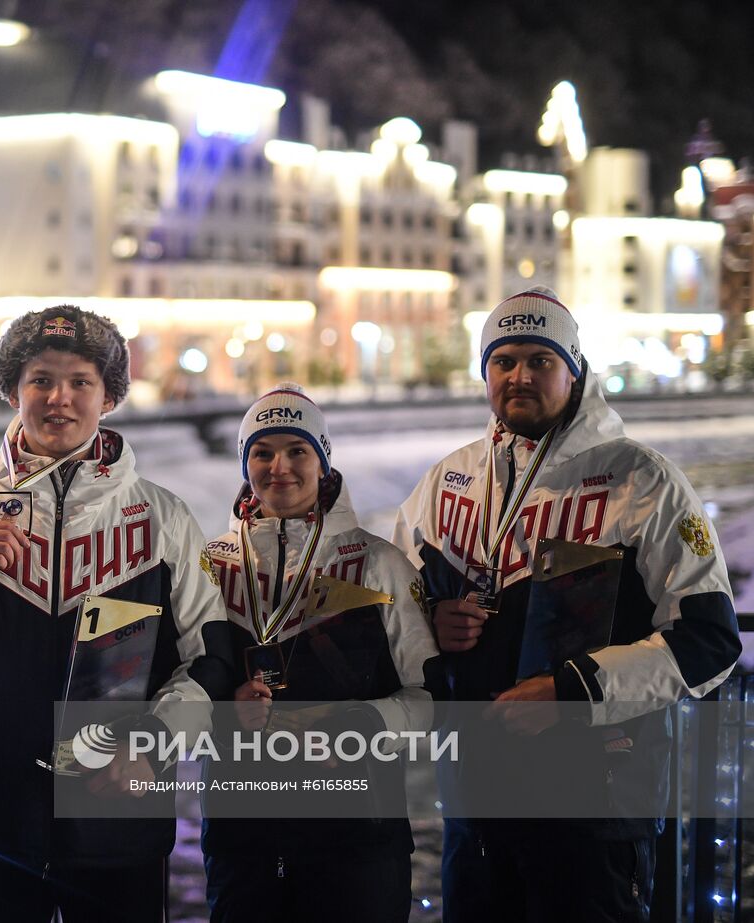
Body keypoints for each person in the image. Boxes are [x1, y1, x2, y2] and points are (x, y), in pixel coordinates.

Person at [394, 287, 740, 922]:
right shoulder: (447, 482)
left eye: (540, 360)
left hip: (596, 807)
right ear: (484, 373)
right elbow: (393, 610)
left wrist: (571, 692)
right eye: (503, 361)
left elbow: (710, 643)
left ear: (574, 370)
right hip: (478, 805)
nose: (519, 376)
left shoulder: (642, 480)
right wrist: (429, 625)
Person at [0, 305, 236, 922]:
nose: (59, 398)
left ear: (109, 395)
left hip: (120, 823)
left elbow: (210, 659)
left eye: (81, 381)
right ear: (12, 390)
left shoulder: (163, 517)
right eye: (41, 380)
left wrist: (154, 741)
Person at [201, 383, 438, 922]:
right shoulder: (210, 565)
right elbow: (180, 688)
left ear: (323, 462)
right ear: (245, 463)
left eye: (297, 450)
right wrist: (221, 712)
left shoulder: (379, 564)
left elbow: (431, 697)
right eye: (262, 451)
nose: (279, 466)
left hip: (357, 835)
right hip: (243, 838)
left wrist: (363, 723)